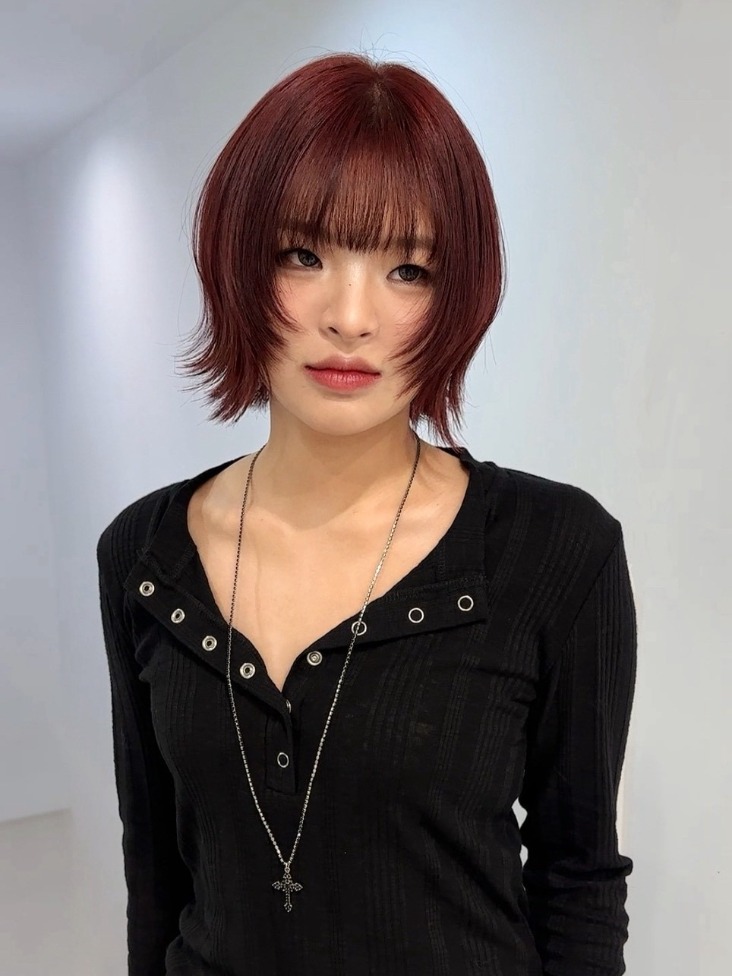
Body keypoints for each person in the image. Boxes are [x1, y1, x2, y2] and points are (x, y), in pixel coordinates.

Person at [96, 51, 637, 976]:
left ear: (458, 294)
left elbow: (579, 880)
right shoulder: (144, 554)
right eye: (303, 255)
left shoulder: (555, 549)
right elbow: (155, 870)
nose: (350, 317)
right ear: (236, 264)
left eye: (409, 269)